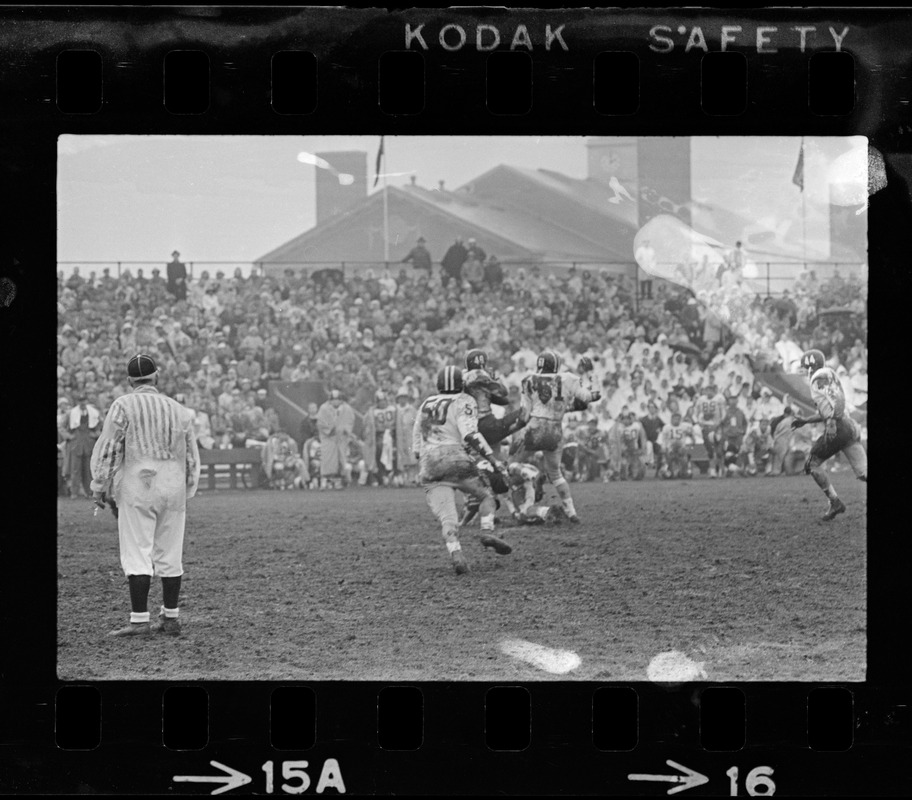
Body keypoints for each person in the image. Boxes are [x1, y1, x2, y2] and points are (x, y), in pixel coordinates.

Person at [90, 353, 201, 637]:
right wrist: (187, 487)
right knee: (170, 551)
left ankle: (139, 620)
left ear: (130, 381)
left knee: (137, 549)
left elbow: (110, 447)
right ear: (157, 376)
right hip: (172, 483)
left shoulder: (123, 405)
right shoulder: (177, 409)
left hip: (138, 482)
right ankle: (171, 617)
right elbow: (190, 455)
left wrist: (99, 485)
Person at [413, 366, 513, 575]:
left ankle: (456, 552)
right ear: (461, 384)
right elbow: (470, 434)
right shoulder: (465, 400)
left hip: (429, 462)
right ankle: (486, 531)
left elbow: (416, 445)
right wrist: (493, 460)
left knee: (447, 516)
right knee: (486, 497)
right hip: (455, 458)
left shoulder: (426, 403)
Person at [511, 350, 600, 522]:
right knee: (555, 473)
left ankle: (532, 478)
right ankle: (571, 512)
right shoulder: (568, 378)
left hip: (535, 427)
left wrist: (515, 430)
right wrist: (591, 374)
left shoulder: (528, 380)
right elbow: (592, 396)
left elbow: (524, 416)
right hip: (555, 430)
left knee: (512, 464)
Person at [790, 349, 867, 520]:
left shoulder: (819, 376)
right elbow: (829, 409)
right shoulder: (827, 375)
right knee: (864, 473)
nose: (804, 373)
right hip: (849, 427)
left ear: (811, 366)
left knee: (812, 464)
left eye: (804, 368)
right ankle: (835, 503)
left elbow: (838, 399)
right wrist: (806, 421)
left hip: (839, 426)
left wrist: (832, 422)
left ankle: (835, 502)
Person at [316, 390, 356, 490]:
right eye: (334, 399)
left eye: (338, 399)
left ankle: (338, 482)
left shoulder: (346, 408)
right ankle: (324, 482)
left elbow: (350, 420)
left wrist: (344, 429)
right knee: (327, 459)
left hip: (341, 438)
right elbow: (321, 422)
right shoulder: (324, 408)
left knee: (340, 459)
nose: (336, 401)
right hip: (329, 438)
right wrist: (331, 428)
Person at [361, 390, 397, 486]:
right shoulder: (372, 412)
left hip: (392, 435)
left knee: (394, 452)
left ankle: (394, 474)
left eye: (384, 400)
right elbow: (366, 426)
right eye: (380, 400)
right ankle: (382, 475)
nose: (383, 402)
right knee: (379, 450)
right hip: (379, 435)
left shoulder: (394, 409)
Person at [67, 394, 101, 498]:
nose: (82, 402)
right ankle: (74, 492)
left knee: (88, 469)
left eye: (84, 400)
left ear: (86, 401)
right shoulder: (71, 413)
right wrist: (69, 436)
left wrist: (95, 434)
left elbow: (101, 424)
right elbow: (61, 426)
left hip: (89, 443)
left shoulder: (94, 413)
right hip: (76, 444)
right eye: (80, 400)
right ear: (78, 402)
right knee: (75, 469)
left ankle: (89, 492)